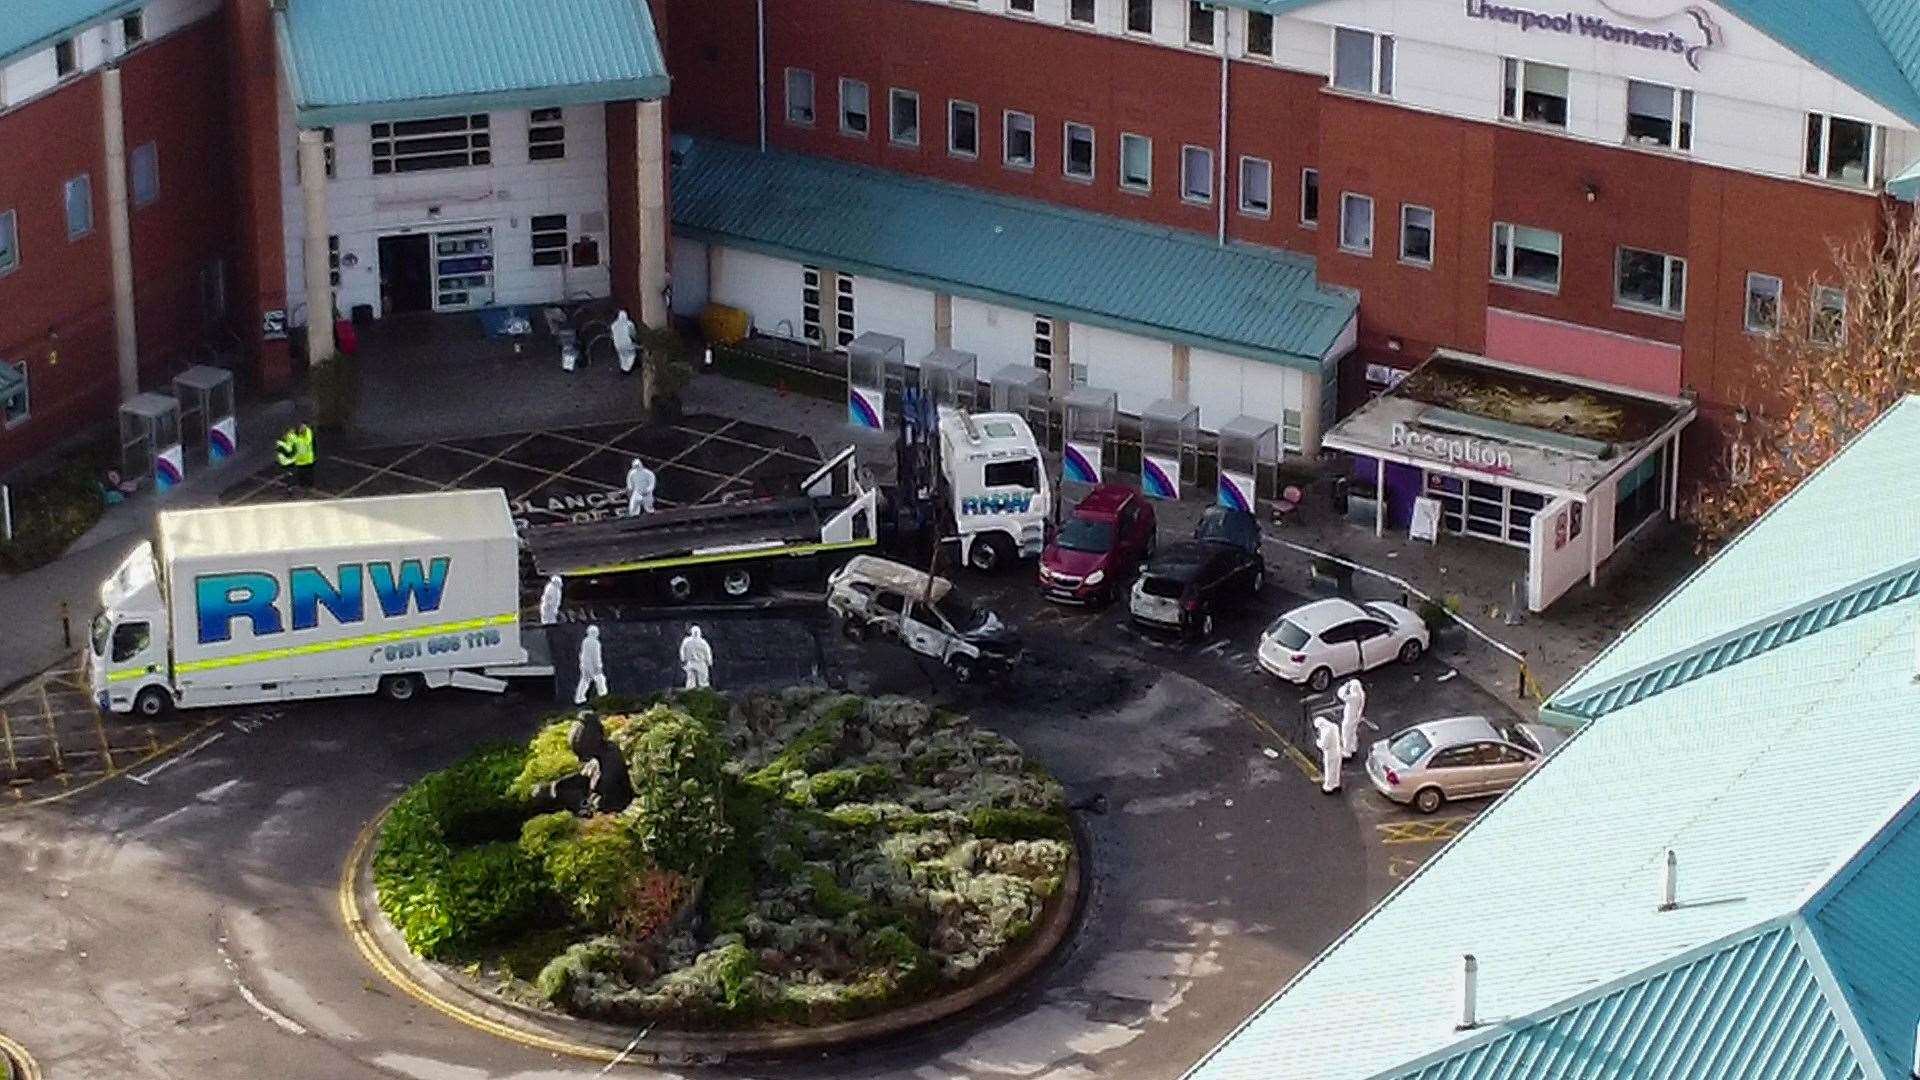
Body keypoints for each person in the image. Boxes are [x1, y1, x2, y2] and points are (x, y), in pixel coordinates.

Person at [574, 624, 608, 704]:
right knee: (600, 679)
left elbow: (583, 655)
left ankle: (579, 697)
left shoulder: (585, 641)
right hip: (592, 665)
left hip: (584, 664)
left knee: (585, 681)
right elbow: (596, 656)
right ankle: (602, 695)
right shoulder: (595, 643)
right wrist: (598, 666)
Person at [1338, 678, 1368, 759]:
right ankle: (1353, 747)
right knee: (1353, 732)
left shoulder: (1353, 697)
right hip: (1356, 717)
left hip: (1349, 717)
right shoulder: (1361, 694)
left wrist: (1347, 687)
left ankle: (1346, 751)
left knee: (1346, 733)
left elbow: (1342, 695)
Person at [1314, 715, 1343, 795]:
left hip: (1330, 754)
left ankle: (1328, 787)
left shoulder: (1326, 732)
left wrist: (1317, 742)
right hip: (1338, 751)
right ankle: (1336, 783)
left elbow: (1324, 745)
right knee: (1336, 769)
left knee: (1329, 770)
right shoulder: (1334, 726)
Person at [679, 624, 713, 690]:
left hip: (691, 662)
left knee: (691, 679)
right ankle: (703, 691)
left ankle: (691, 691)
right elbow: (707, 652)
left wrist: (683, 659)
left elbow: (682, 650)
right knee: (703, 680)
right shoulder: (703, 642)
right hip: (700, 663)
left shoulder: (686, 641)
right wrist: (709, 662)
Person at [611, 309, 639, 374]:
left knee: (622, 356)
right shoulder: (629, 324)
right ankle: (629, 369)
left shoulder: (613, 325)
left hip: (618, 345)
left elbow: (612, 336)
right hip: (628, 344)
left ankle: (624, 368)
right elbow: (633, 334)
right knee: (631, 355)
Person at [293, 422, 316, 489]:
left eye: (303, 427)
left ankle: (309, 484)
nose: (301, 429)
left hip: (307, 459)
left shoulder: (307, 435)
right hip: (301, 459)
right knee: (302, 473)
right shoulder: (299, 435)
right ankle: (302, 484)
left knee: (308, 473)